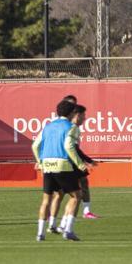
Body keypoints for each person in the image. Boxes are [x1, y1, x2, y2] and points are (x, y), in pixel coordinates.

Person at [32, 99, 87, 242]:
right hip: (62, 165)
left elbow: (35, 146)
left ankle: (40, 234)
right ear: (71, 113)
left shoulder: (48, 126)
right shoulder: (71, 127)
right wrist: (80, 164)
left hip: (47, 166)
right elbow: (69, 146)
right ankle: (68, 230)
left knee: (46, 200)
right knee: (77, 196)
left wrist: (40, 162)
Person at [62, 94, 99, 218]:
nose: (74, 108)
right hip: (67, 161)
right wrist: (86, 160)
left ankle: (86, 211)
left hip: (70, 160)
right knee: (67, 193)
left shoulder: (73, 126)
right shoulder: (68, 126)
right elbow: (72, 147)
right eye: (71, 105)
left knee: (81, 184)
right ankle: (60, 224)